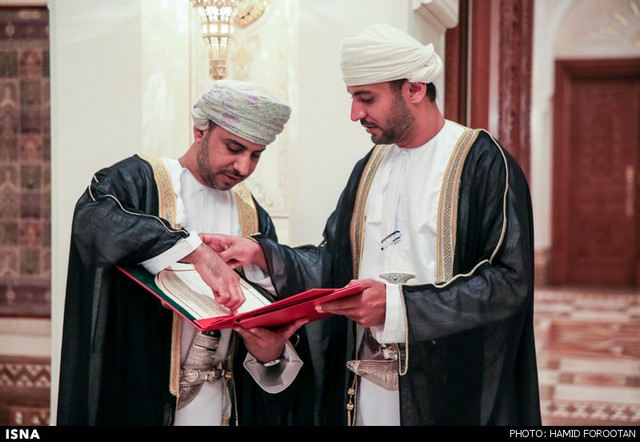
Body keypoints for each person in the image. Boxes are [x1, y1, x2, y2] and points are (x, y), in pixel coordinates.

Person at [206, 23, 542, 426]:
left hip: (446, 392)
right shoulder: (369, 168)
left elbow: (508, 284)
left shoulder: (483, 163)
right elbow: (334, 263)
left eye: (366, 98)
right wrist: (263, 255)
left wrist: (398, 307)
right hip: (363, 389)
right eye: (353, 98)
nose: (355, 114)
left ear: (414, 89)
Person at [56, 79, 315, 426]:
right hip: (141, 399)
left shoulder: (252, 214)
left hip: (221, 404)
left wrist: (269, 352)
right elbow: (93, 221)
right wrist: (195, 251)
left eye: (255, 155)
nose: (243, 167)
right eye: (233, 148)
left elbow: (267, 313)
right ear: (200, 131)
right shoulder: (141, 182)